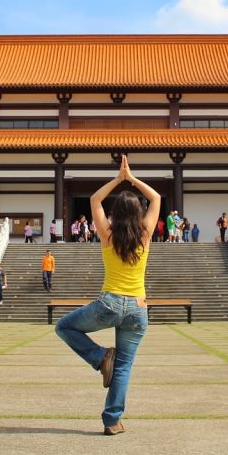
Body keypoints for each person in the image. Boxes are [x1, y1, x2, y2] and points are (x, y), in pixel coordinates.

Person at [56, 154, 160, 437]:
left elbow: (94, 200)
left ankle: (101, 356)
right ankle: (112, 421)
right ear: (138, 212)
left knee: (63, 326)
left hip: (110, 303)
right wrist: (132, 178)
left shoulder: (107, 234)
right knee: (124, 366)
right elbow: (157, 197)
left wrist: (117, 179)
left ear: (116, 212)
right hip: (139, 308)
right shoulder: (146, 233)